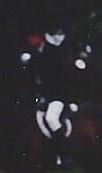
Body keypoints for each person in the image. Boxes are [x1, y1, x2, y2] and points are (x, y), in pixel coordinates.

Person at [20, 28, 73, 160]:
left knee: (51, 118)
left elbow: (55, 78)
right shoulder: (35, 54)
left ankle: (65, 153)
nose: (30, 40)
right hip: (45, 96)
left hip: (57, 95)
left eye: (33, 37)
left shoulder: (53, 53)